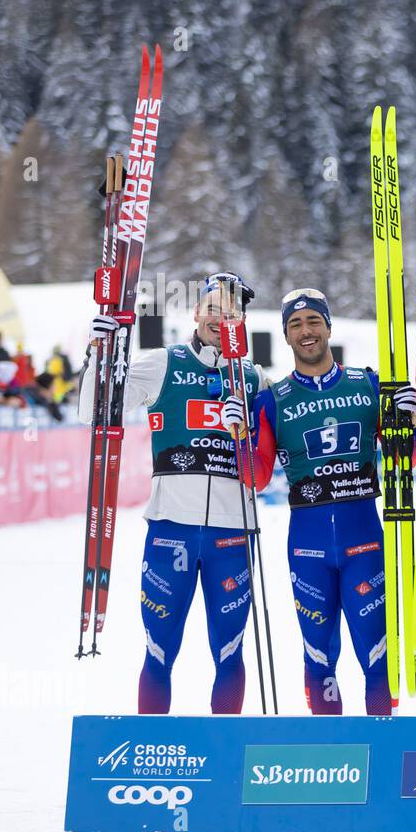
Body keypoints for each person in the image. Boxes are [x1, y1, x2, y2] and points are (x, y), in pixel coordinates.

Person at [78, 272, 265, 714]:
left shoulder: (257, 380)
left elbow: (272, 459)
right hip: (170, 532)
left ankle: (226, 753)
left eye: (231, 311)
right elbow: (93, 411)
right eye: (213, 308)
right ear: (197, 311)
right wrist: (98, 357)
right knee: (159, 652)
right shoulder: (165, 361)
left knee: (230, 652)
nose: (221, 319)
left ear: (242, 320)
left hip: (234, 535)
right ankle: (153, 751)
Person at [247, 288, 416, 715]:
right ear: (286, 336)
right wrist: (242, 432)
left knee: (377, 652)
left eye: (313, 322)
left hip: (366, 543)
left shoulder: (368, 384)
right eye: (295, 324)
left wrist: (411, 423)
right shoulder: (272, 400)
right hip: (308, 548)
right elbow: (256, 476)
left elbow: (408, 457)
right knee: (318, 653)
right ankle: (332, 754)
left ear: (328, 327)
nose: (306, 332)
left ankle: (381, 746)